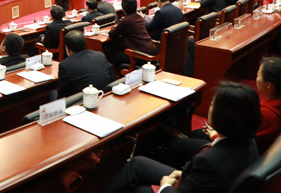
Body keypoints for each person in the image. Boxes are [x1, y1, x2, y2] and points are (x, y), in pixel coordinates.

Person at [98, 82, 260, 193]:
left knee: (139, 190)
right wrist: (186, 174)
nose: (210, 108)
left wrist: (165, 187)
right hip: (198, 182)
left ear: (223, 116)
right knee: (137, 164)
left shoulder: (208, 162)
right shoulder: (249, 142)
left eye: (212, 104)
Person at [169, 58, 281, 166]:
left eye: (258, 75)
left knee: (177, 144)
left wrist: (215, 135)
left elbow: (240, 142)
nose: (256, 78)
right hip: (242, 149)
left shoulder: (267, 115)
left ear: (269, 85)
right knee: (196, 133)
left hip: (236, 156)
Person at [57, 30, 114, 98]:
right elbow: (112, 79)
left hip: (83, 101)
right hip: (105, 96)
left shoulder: (65, 65)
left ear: (67, 48)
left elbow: (63, 95)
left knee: (53, 93)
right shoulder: (100, 55)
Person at [108, 0, 157, 68]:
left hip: (142, 55)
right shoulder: (139, 16)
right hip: (152, 51)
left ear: (123, 9)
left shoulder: (126, 20)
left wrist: (113, 27)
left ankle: (126, 73)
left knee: (115, 56)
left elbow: (112, 34)